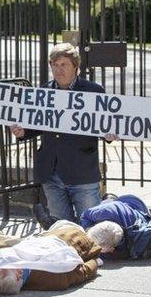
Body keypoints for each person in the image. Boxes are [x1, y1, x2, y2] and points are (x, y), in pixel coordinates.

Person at [10, 43, 118, 224]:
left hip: (82, 172)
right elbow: (38, 125)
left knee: (91, 226)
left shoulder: (93, 91)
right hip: (51, 173)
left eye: (64, 65)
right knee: (62, 228)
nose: (58, 69)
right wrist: (22, 132)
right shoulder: (44, 91)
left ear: (75, 67)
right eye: (55, 65)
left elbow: (102, 125)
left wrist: (107, 135)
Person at [0, 221, 102, 294]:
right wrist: (96, 261)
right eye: (9, 264)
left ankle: (51, 222)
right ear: (18, 274)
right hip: (71, 240)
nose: (4, 260)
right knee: (91, 234)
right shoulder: (53, 278)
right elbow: (83, 272)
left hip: (39, 239)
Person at [80, 194, 151, 259]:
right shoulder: (102, 213)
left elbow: (85, 216)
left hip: (135, 204)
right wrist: (87, 228)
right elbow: (85, 215)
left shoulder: (103, 211)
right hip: (136, 210)